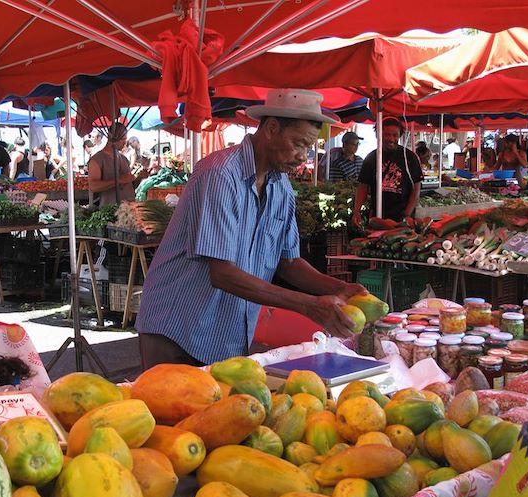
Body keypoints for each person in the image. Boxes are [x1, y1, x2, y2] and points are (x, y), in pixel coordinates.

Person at [135, 88, 367, 368]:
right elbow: (223, 274)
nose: (302, 156)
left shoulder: (281, 187)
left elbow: (289, 261)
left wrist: (340, 288)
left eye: (307, 147)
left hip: (225, 332)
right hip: (177, 327)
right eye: (298, 144)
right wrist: (308, 305)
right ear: (271, 129)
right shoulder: (220, 174)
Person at [352, 117, 423, 225]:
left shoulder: (409, 157)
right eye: (387, 135)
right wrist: (356, 211)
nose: (391, 139)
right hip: (378, 216)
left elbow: (416, 187)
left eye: (394, 135)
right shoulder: (371, 158)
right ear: (378, 135)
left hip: (403, 217)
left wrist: (407, 214)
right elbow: (363, 186)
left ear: (399, 135)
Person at [87, 122, 135, 206]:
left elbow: (127, 185)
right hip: (110, 211)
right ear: (114, 138)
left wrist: (139, 178)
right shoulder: (96, 160)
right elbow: (93, 186)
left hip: (129, 211)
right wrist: (119, 180)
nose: (125, 142)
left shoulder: (124, 159)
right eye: (123, 139)